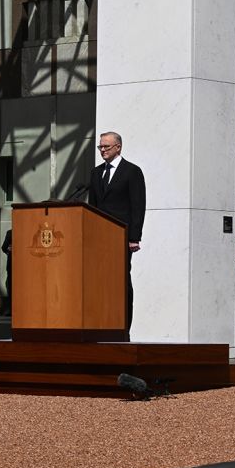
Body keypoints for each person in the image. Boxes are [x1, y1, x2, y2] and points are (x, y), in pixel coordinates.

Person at [87, 131, 146, 335]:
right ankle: (104, 323)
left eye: (106, 147)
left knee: (121, 280)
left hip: (121, 237)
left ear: (118, 147)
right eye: (100, 147)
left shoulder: (132, 171)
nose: (102, 150)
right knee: (100, 281)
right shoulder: (96, 173)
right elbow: (92, 207)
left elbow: (138, 206)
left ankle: (124, 327)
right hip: (100, 238)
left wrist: (134, 237)